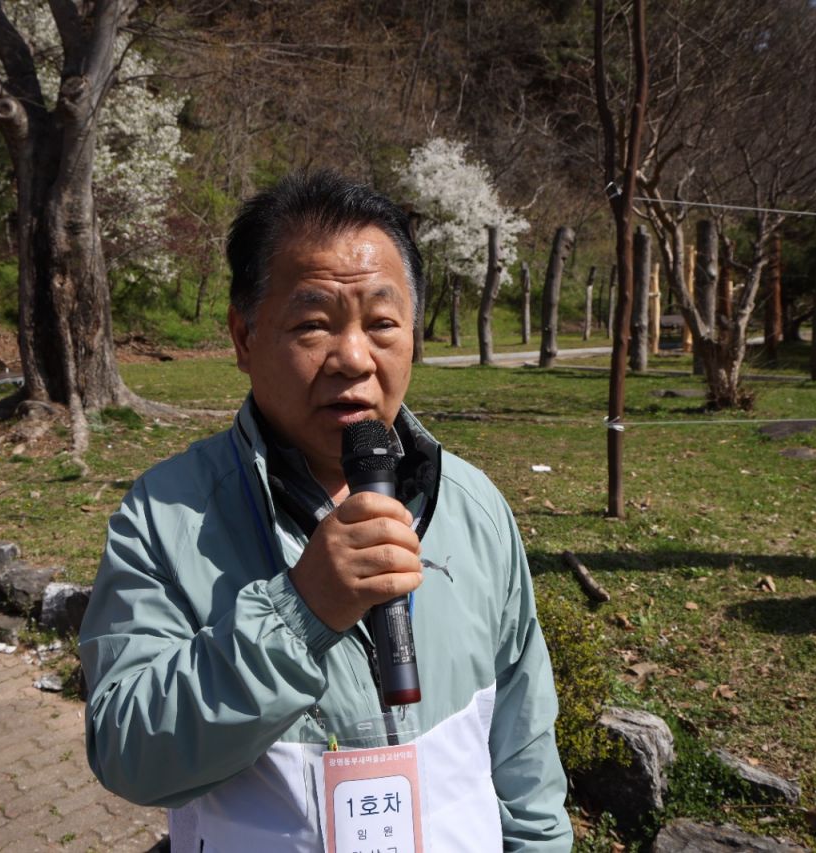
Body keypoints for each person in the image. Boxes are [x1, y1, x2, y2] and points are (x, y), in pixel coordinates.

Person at [80, 171, 571, 852]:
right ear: (244, 336)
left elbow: (524, 754)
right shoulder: (164, 517)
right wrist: (299, 612)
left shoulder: (474, 505)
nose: (353, 358)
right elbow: (129, 753)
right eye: (313, 324)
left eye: (382, 323)